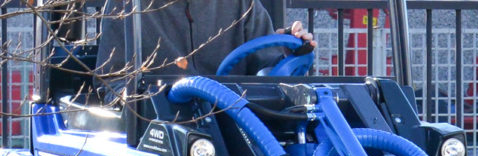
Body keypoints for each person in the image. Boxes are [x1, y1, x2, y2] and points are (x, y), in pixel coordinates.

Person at [96, 0, 315, 78]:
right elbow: (113, 84)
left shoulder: (243, 5)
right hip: (161, 137)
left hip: (236, 128)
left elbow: (267, 78)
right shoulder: (126, 6)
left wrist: (286, 57)